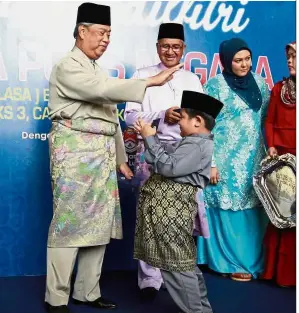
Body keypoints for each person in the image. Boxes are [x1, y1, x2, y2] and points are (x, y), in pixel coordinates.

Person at [45, 3, 182, 313]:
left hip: (102, 157)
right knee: (68, 225)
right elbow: (101, 91)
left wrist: (121, 157)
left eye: (109, 34)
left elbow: (110, 118)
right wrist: (150, 81)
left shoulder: (96, 69)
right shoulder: (69, 66)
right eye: (101, 33)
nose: (106, 39)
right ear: (82, 32)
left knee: (99, 224)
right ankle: (56, 298)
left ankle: (87, 292)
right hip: (74, 157)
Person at [124, 22, 204, 301]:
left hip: (184, 153)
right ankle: (150, 278)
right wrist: (160, 114)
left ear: (184, 49)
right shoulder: (142, 76)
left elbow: (202, 121)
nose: (170, 51)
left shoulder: (192, 80)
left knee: (182, 214)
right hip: (152, 152)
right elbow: (130, 116)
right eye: (165, 46)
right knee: (149, 215)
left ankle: (178, 271)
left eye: (176, 46)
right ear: (157, 47)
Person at [133, 90, 223, 313]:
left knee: (177, 266)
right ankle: (201, 309)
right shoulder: (191, 143)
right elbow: (160, 162)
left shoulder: (195, 145)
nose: (178, 123)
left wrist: (149, 137)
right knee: (183, 264)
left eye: (182, 117)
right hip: (169, 211)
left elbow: (167, 167)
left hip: (172, 213)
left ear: (197, 121)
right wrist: (151, 139)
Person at [197, 38, 270, 282]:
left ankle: (253, 259)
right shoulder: (214, 86)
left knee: (253, 207)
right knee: (226, 207)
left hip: (254, 158)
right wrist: (212, 162)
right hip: (225, 159)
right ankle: (228, 261)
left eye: (247, 59)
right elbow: (205, 127)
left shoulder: (260, 82)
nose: (244, 64)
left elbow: (268, 119)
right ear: (226, 61)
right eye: (238, 60)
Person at [261, 41, 296, 287]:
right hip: (283, 159)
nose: (290, 62)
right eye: (289, 58)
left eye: (295, 57)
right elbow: (270, 121)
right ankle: (278, 274)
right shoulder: (278, 89)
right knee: (282, 215)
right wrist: (272, 145)